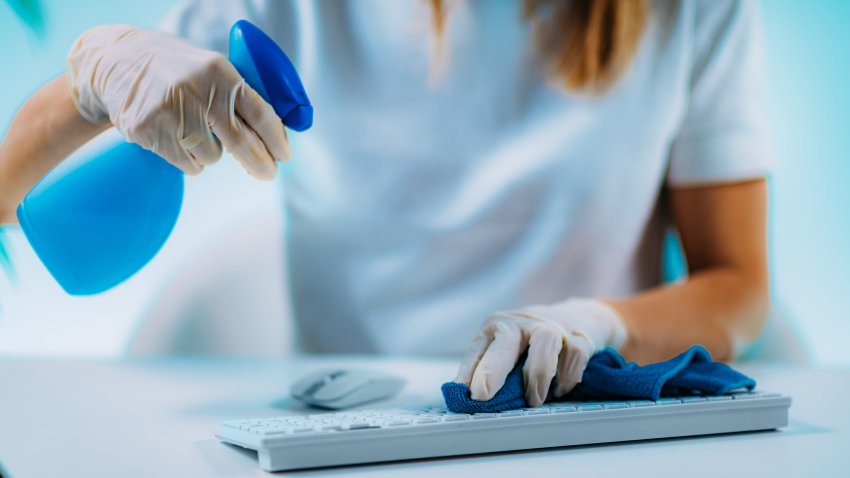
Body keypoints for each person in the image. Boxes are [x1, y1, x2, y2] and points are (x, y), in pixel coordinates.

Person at [0, 0, 772, 407]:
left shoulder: (694, 10)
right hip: (346, 439)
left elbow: (739, 287)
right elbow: (6, 194)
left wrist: (596, 326)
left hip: (584, 421)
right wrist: (95, 75)